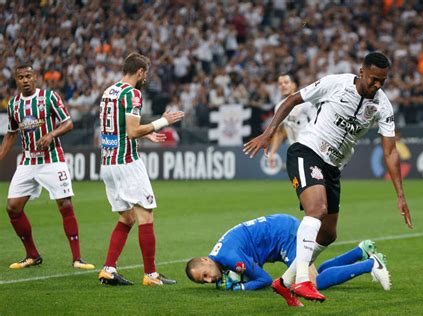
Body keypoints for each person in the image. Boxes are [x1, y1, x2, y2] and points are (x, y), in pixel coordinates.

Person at [243, 52, 413, 302]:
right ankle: (302, 281)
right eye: (374, 80)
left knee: (328, 233)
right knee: (317, 209)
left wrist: (400, 194)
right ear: (362, 72)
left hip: (333, 167)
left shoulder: (382, 105)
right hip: (307, 152)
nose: (377, 85)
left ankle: (285, 282)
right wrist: (269, 133)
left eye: (383, 81)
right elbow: (292, 100)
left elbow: (390, 151)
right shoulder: (336, 83)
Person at [97, 52, 184, 286]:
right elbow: (132, 131)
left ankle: (108, 269)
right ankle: (151, 275)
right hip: (127, 163)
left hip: (108, 163)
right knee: (146, 216)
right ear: (141, 72)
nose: (145, 78)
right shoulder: (132, 93)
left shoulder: (109, 91)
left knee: (127, 217)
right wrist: (162, 121)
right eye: (146, 73)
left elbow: (119, 129)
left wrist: (147, 134)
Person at [0, 64, 94, 270]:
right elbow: (11, 133)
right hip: (28, 161)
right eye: (20, 77)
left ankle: (77, 258)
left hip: (52, 160)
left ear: (35, 77)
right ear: (16, 80)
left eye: (28, 76)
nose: (25, 80)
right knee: (12, 208)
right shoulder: (14, 104)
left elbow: (68, 123)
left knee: (65, 205)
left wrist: (52, 134)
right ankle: (32, 255)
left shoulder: (49, 98)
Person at [185, 214, 390, 307]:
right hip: (281, 226)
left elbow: (264, 279)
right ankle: (360, 252)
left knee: (313, 282)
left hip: (284, 235)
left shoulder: (230, 258)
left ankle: (371, 264)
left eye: (205, 274)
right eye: (204, 281)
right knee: (313, 271)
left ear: (205, 259)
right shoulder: (220, 254)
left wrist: (241, 288)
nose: (209, 280)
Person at [268, 73, 315, 169]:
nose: (282, 86)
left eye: (286, 82)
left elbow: (317, 123)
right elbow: (280, 133)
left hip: (310, 150)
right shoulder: (279, 107)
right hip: (295, 151)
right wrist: (272, 153)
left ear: (293, 85)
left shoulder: (304, 103)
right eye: (280, 84)